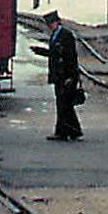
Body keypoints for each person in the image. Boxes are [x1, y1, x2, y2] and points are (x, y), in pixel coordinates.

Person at [35, 11, 83, 141]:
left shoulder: (66, 35)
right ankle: (73, 131)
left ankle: (62, 132)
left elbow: (71, 57)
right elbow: (55, 53)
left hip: (66, 76)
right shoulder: (56, 35)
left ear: (56, 22)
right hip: (59, 76)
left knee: (63, 104)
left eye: (51, 23)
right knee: (64, 104)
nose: (49, 26)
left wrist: (71, 76)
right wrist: (41, 51)